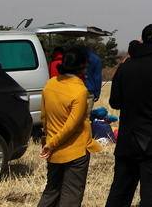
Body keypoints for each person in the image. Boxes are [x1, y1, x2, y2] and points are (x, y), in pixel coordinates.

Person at [104, 24, 152, 207]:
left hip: (126, 142)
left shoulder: (124, 68)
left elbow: (114, 102)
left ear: (142, 39)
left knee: (119, 194)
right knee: (151, 197)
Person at [38, 46, 97, 207]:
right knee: (71, 195)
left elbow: (44, 117)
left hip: (53, 151)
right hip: (75, 152)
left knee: (51, 191)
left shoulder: (49, 84)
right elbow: (72, 126)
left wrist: (48, 142)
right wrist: (52, 144)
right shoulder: (80, 91)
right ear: (82, 66)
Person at [85, 48, 103, 112]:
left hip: (75, 89)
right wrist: (97, 93)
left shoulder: (77, 57)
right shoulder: (96, 59)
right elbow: (97, 78)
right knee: (86, 117)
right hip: (90, 91)